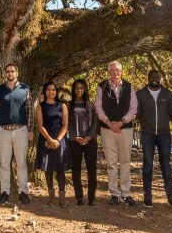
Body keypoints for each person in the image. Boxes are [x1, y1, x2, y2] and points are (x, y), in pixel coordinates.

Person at [95, 61, 137, 206]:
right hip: (107, 129)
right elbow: (98, 108)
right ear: (109, 72)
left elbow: (134, 108)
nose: (115, 72)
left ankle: (126, 193)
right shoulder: (102, 86)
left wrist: (121, 122)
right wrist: (108, 123)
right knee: (111, 163)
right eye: (112, 70)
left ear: (122, 72)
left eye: (118, 70)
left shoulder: (129, 86)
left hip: (125, 128)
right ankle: (114, 193)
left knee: (125, 161)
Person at [137, 69, 172, 209]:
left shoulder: (168, 94)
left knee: (166, 165)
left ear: (161, 78)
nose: (155, 78)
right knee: (147, 164)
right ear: (148, 78)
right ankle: (147, 196)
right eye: (152, 76)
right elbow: (138, 113)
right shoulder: (140, 94)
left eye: (157, 76)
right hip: (147, 133)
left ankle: (171, 197)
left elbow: (170, 113)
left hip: (164, 134)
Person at [0, 63, 34, 205]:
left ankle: (23, 192)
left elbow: (30, 111)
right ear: (5, 73)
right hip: (3, 131)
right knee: (4, 164)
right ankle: (4, 191)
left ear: (17, 73)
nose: (10, 73)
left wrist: (30, 130)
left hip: (20, 131)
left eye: (12, 71)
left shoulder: (25, 89)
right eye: (8, 71)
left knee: (21, 163)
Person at [35, 81, 70, 208]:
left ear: (56, 91)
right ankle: (51, 197)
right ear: (45, 92)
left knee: (60, 170)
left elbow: (65, 125)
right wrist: (50, 140)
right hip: (45, 140)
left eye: (53, 90)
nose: (51, 92)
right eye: (48, 90)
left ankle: (62, 198)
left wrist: (57, 140)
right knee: (48, 169)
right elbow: (40, 125)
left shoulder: (62, 106)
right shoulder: (41, 107)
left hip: (60, 140)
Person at [68, 78, 98, 206]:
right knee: (76, 169)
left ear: (84, 89)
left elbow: (95, 121)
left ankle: (92, 197)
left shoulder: (90, 104)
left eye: (81, 88)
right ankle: (79, 196)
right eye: (76, 88)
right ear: (73, 90)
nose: (79, 90)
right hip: (75, 141)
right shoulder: (69, 105)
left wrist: (90, 136)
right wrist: (75, 137)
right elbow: (67, 123)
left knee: (92, 169)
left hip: (90, 141)